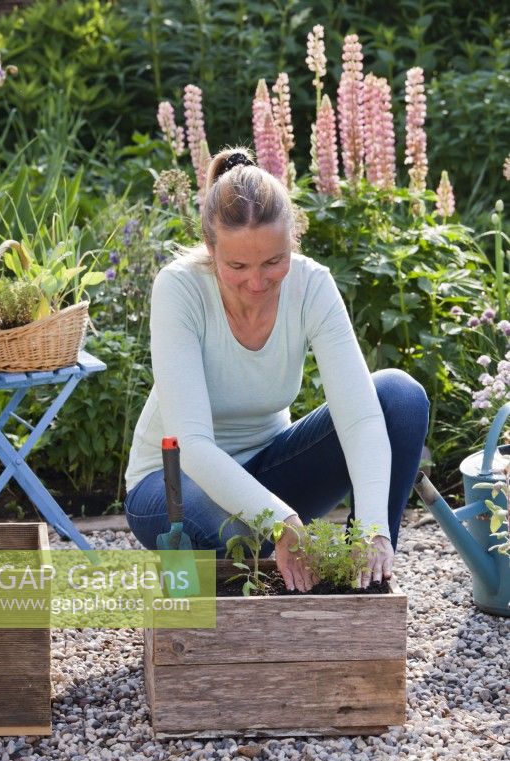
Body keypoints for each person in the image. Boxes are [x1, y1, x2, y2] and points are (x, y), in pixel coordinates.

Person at [124, 147, 429, 593]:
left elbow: (361, 416)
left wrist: (373, 527)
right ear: (211, 249)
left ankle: (364, 581)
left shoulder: (312, 284)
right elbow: (193, 446)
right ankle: (254, 577)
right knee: (229, 535)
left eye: (273, 261)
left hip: (269, 470)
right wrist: (280, 521)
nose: (257, 282)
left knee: (398, 398)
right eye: (237, 266)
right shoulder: (180, 288)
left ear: (293, 238)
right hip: (172, 482)